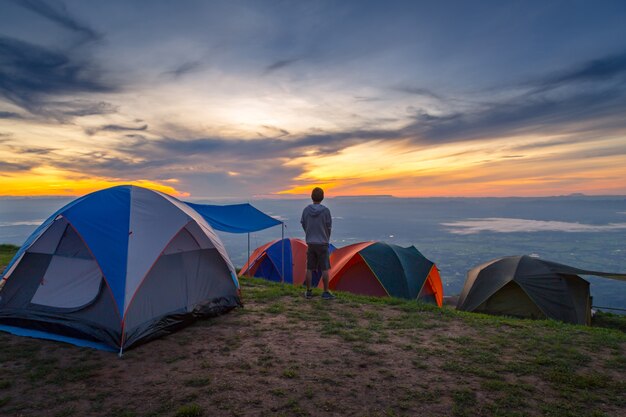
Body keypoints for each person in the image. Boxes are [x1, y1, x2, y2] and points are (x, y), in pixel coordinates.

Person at [301, 187, 335, 300]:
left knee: (309, 268)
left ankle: (309, 291)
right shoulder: (326, 211)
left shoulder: (306, 210)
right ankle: (325, 292)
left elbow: (303, 223)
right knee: (324, 268)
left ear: (311, 197)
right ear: (322, 197)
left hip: (311, 242)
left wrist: (308, 233)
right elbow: (329, 227)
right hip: (323, 242)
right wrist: (326, 237)